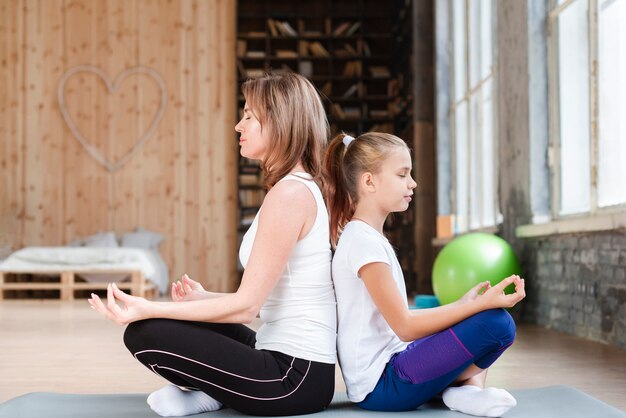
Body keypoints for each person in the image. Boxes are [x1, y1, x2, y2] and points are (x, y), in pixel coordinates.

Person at [89, 72, 337, 417]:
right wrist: (205, 299)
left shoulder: (291, 194)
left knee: (145, 332)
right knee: (181, 321)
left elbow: (246, 309)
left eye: (250, 115)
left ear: (281, 122)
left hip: (293, 379)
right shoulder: (294, 188)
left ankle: (214, 391)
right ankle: (218, 392)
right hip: (280, 355)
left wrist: (150, 307)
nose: (239, 124)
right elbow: (272, 302)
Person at [324, 132, 526, 417]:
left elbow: (399, 320)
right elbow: (404, 326)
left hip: (393, 368)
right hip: (382, 385)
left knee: (483, 321)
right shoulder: (362, 243)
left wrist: (463, 306)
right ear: (369, 181)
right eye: (402, 174)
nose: (413, 183)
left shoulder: (367, 237)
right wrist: (478, 306)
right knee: (496, 323)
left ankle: (465, 392)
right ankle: (463, 390)